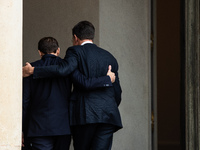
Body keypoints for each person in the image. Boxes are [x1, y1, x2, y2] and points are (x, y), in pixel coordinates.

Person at [23, 21, 122, 150]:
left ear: (75, 38)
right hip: (108, 116)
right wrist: (107, 87)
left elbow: (65, 71)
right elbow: (117, 93)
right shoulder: (110, 57)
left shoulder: (75, 52)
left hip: (84, 115)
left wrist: (33, 70)